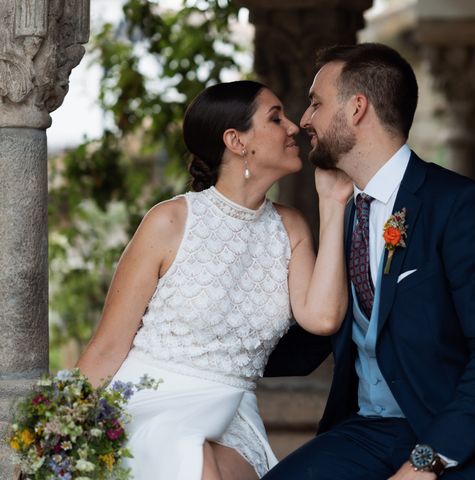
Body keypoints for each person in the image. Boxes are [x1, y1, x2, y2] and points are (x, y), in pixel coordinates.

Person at [261, 43, 475, 479]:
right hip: (370, 431)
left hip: (459, 437)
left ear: (356, 108)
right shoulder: (346, 209)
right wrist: (217, 352)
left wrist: (427, 461)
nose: (305, 119)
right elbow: (319, 333)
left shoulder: (463, 207)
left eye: (316, 103)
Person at [75, 80, 353, 480]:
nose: (293, 127)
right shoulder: (169, 221)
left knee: (199, 459)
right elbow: (106, 348)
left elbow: (323, 319)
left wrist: (332, 202)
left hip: (232, 412)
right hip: (147, 398)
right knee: (186, 454)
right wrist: (51, 434)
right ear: (236, 141)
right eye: (276, 118)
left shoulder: (290, 227)